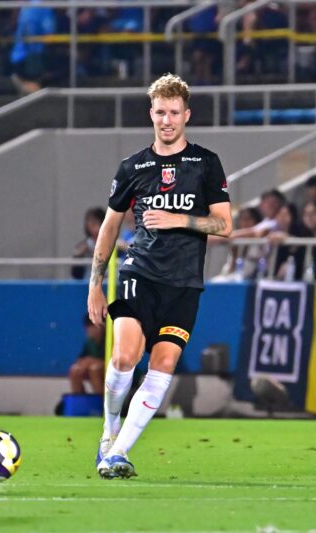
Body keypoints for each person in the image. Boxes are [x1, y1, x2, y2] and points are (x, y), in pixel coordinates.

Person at [87, 74, 232, 479]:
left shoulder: (205, 163)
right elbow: (109, 227)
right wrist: (95, 284)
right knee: (124, 356)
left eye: (174, 113)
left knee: (163, 364)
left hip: (184, 282)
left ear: (186, 115)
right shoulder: (133, 166)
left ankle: (119, 453)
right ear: (150, 114)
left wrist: (178, 219)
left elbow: (225, 226)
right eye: (160, 112)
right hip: (141, 273)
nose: (166, 120)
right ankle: (109, 433)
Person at [68, 315, 106, 394]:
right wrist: (84, 363)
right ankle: (80, 402)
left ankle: (102, 402)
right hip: (92, 367)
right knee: (75, 370)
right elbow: (81, 358)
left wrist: (91, 361)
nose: (91, 330)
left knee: (95, 369)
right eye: (89, 327)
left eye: (94, 327)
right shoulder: (90, 342)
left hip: (114, 371)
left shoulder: (110, 339)